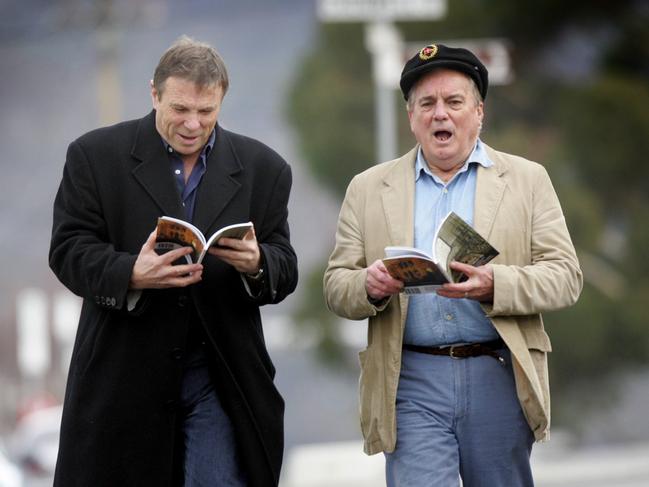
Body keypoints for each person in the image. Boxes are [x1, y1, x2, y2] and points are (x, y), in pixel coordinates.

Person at [323, 43, 582, 486]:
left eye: (453, 102)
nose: (440, 114)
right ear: (411, 118)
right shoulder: (367, 189)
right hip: (411, 378)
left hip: (498, 372)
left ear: (479, 112)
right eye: (427, 104)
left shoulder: (527, 180)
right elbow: (335, 285)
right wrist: (368, 285)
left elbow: (565, 277)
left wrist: (496, 284)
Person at [49, 36, 298, 487]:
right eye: (180, 109)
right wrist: (130, 273)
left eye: (206, 112)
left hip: (222, 374)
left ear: (222, 98)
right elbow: (67, 250)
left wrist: (257, 262)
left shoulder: (265, 168)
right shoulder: (94, 156)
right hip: (123, 374)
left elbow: (285, 264)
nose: (192, 124)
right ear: (154, 93)